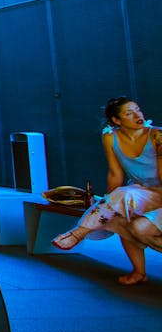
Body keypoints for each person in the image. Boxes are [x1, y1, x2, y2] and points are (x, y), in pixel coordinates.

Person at [51, 97, 162, 285]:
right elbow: (114, 173)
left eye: (138, 110)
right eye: (129, 113)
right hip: (142, 192)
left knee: (128, 204)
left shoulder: (156, 135)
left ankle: (79, 233)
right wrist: (110, 205)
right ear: (117, 120)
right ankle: (139, 272)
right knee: (123, 217)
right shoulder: (110, 136)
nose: (137, 115)